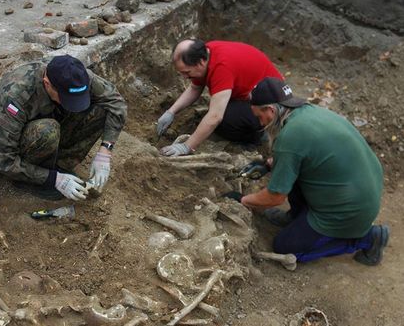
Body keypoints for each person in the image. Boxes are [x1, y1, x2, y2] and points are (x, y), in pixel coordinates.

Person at [226, 77, 389, 266]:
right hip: (362, 188)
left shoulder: (289, 137)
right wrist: (270, 164)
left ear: (270, 110)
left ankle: (367, 238)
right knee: (295, 174)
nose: (259, 122)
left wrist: (244, 200)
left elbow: (275, 197)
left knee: (284, 246)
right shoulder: (308, 112)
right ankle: (296, 217)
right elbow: (307, 154)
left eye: (259, 116)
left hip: (348, 211)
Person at [0, 55, 127, 200]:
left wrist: (105, 151)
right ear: (47, 83)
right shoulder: (16, 95)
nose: (72, 103)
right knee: (48, 131)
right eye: (66, 98)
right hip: (11, 141)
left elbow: (116, 102)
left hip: (52, 118)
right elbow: (4, 159)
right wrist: (54, 179)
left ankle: (60, 165)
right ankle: (34, 178)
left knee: (102, 109)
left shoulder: (76, 78)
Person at [157, 39, 283, 156]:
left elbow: (215, 117)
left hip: (271, 107)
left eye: (187, 72)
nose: (184, 77)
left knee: (225, 121)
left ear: (200, 62)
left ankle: (260, 135)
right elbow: (195, 88)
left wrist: (186, 146)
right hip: (256, 96)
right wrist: (171, 112)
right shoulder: (207, 53)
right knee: (219, 111)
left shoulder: (221, 67)